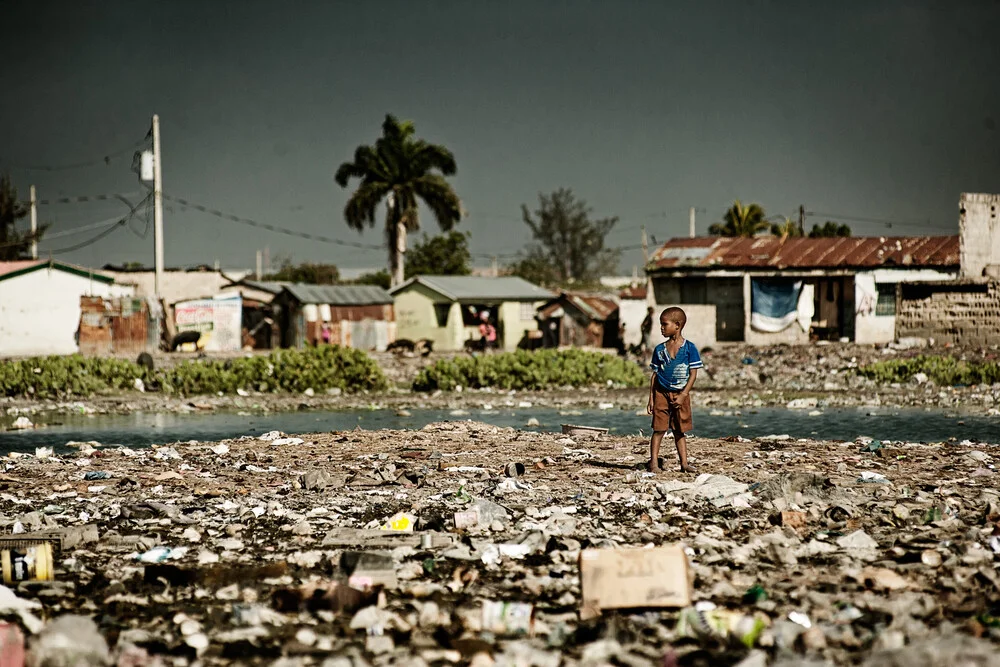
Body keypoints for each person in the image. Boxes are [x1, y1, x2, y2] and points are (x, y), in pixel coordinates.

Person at [646, 307, 703, 473]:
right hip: (661, 393)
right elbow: (655, 376)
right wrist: (651, 398)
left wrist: (683, 395)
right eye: (661, 325)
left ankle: (684, 464)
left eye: (665, 324)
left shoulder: (689, 348)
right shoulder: (659, 350)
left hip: (681, 394)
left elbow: (693, 374)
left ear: (677, 325)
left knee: (679, 431)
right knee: (659, 429)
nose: (661, 328)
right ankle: (654, 463)